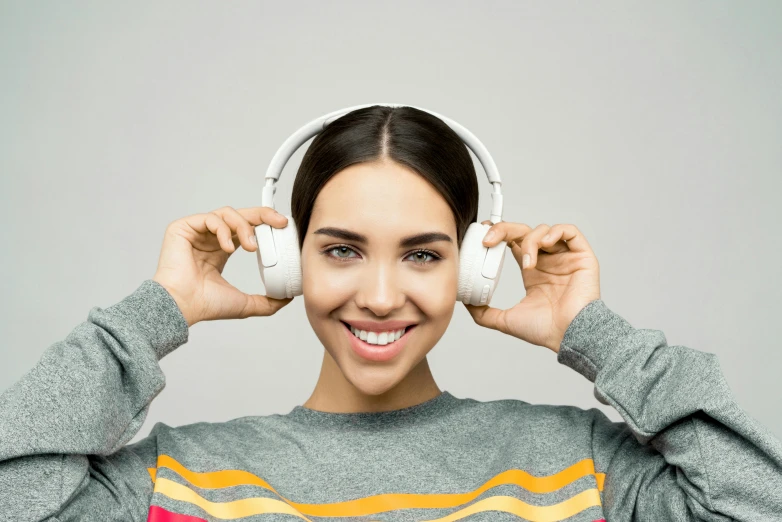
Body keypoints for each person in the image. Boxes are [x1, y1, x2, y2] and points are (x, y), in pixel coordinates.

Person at [1, 106, 780, 522]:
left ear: (472, 267)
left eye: (422, 254)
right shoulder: (182, 479)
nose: (379, 296)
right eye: (341, 250)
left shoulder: (577, 465)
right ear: (288, 258)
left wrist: (598, 337)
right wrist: (153, 313)